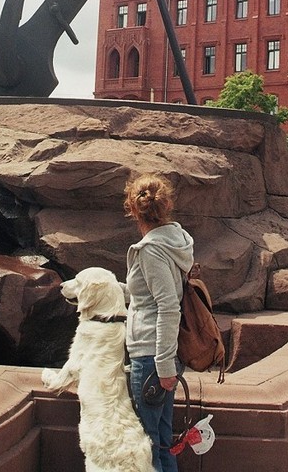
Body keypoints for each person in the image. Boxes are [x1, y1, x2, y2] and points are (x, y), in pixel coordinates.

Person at [124, 174, 194, 472]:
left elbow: (167, 306)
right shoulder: (174, 242)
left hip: (151, 357)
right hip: (161, 356)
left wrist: (164, 365)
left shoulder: (152, 250)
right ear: (167, 205)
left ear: (132, 208)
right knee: (162, 441)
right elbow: (151, 295)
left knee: (147, 442)